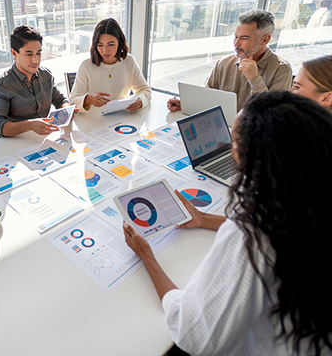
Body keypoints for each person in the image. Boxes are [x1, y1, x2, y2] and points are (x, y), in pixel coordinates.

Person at [124, 91, 332, 355]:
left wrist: (147, 257)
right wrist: (203, 218)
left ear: (262, 158)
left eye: (235, 141)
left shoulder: (253, 230)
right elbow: (282, 232)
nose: (229, 148)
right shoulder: (309, 200)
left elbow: (195, 333)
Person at [167, 9, 292, 112]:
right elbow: (206, 95)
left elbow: (273, 114)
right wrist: (187, 104)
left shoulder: (281, 69)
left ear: (265, 40)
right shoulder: (224, 63)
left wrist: (254, 79)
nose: (236, 43)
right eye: (236, 36)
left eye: (244, 38)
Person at [0, 25, 73, 137]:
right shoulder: (0, 85)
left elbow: (60, 100)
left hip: (44, 139)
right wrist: (30, 125)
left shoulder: (46, 75)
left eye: (38, 53)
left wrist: (67, 109)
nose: (35, 60)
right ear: (14, 53)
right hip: (17, 143)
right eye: (29, 54)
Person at [69, 18, 151, 112]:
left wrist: (141, 100)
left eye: (110, 44)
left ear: (119, 43)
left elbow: (145, 90)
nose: (105, 50)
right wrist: (88, 99)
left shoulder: (129, 61)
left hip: (121, 118)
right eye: (100, 45)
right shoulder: (86, 66)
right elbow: (72, 101)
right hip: (94, 122)